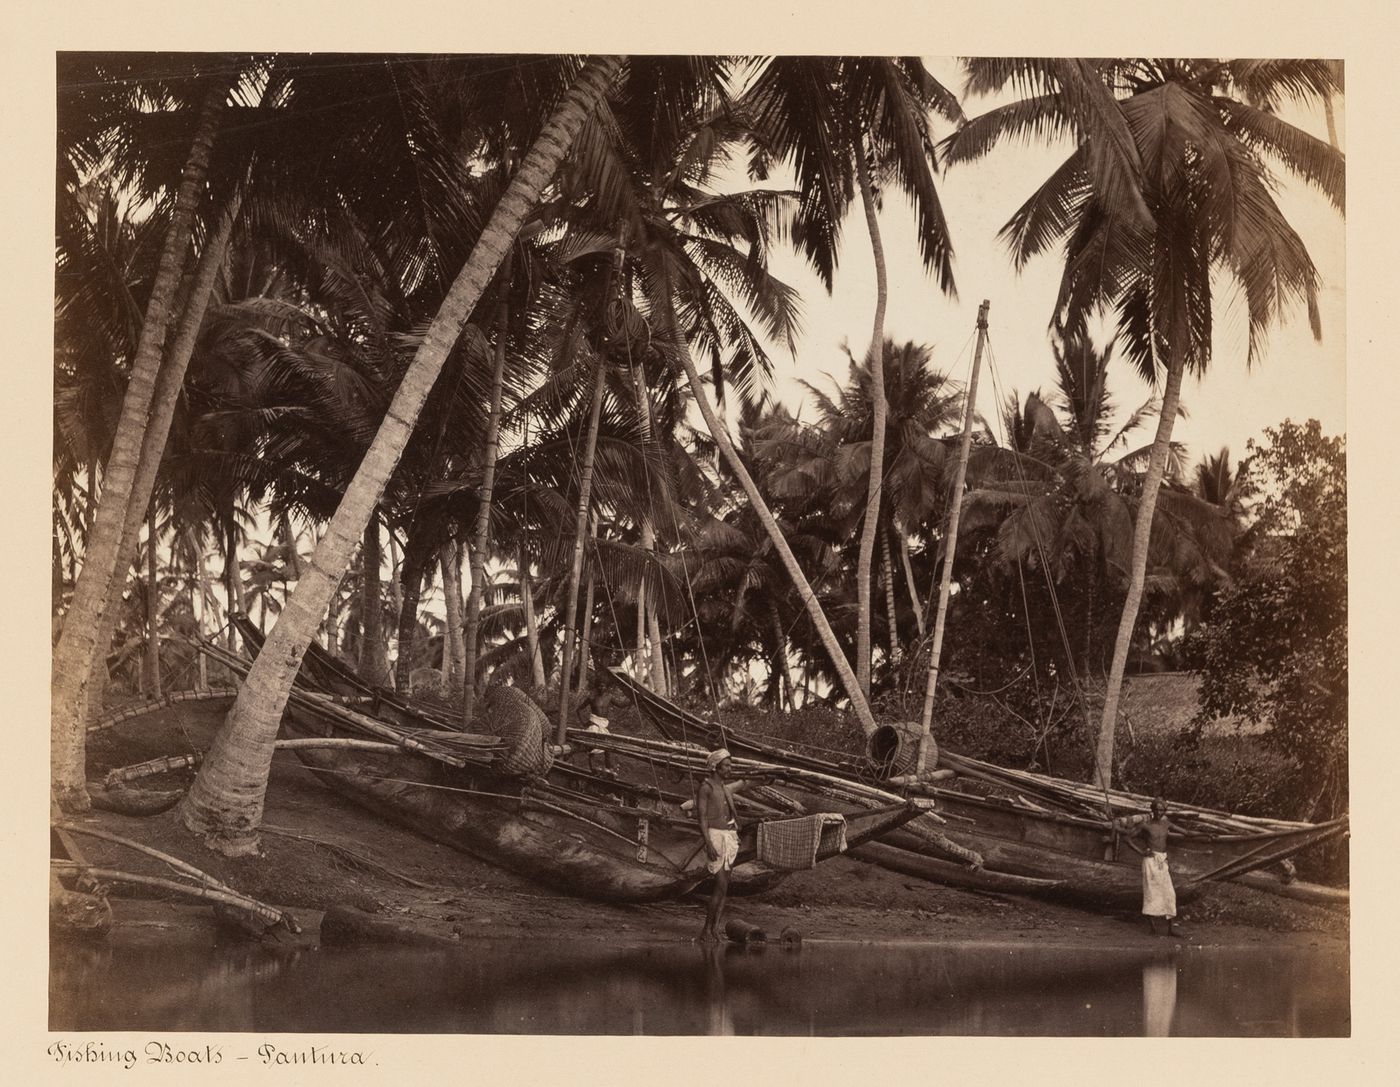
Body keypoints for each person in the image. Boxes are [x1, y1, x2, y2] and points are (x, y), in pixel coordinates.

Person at [1119, 798, 1187, 937]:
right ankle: (1153, 928)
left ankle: (1170, 929)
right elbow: (1127, 838)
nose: (1158, 812)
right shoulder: (1145, 825)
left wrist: (1207, 835)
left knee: (1169, 893)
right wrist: (1141, 851)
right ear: (1152, 810)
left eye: (1161, 810)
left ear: (1164, 811)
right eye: (1156, 809)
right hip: (1150, 861)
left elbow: (1186, 832)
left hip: (1162, 860)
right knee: (1151, 893)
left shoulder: (1166, 824)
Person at [695, 748, 742, 943]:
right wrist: (708, 843)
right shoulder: (706, 788)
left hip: (729, 837)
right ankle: (706, 930)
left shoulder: (724, 788)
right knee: (720, 885)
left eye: (730, 766)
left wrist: (735, 833)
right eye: (726, 766)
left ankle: (714, 930)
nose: (729, 769)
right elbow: (702, 818)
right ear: (715, 767)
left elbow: (730, 814)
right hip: (715, 837)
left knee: (724, 887)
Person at [574, 683, 625, 775]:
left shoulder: (609, 697)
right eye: (599, 686)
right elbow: (579, 710)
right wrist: (584, 723)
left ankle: (608, 769)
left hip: (603, 725)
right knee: (591, 747)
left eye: (603, 686)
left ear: (606, 687)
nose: (601, 688)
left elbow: (621, 705)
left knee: (607, 747)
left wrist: (633, 699)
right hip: (593, 725)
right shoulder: (592, 698)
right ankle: (592, 768)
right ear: (596, 687)